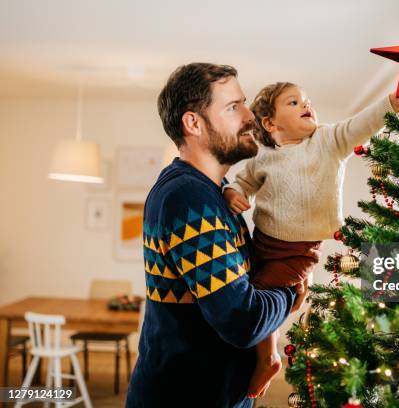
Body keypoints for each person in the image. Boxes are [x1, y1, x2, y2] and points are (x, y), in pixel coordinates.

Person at [223, 81, 399, 397]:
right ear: (270, 123)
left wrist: (394, 102)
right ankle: (297, 291)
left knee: (260, 295)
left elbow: (361, 124)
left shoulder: (326, 140)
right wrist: (233, 192)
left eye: (307, 100)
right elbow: (243, 181)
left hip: (300, 249)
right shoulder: (264, 157)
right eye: (293, 102)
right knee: (257, 283)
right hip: (263, 242)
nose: (307, 105)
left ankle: (268, 358)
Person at [126, 63, 306, 408]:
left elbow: (248, 284)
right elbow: (243, 320)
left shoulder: (216, 191)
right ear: (193, 123)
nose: (250, 115)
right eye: (233, 107)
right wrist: (291, 285)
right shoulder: (187, 197)